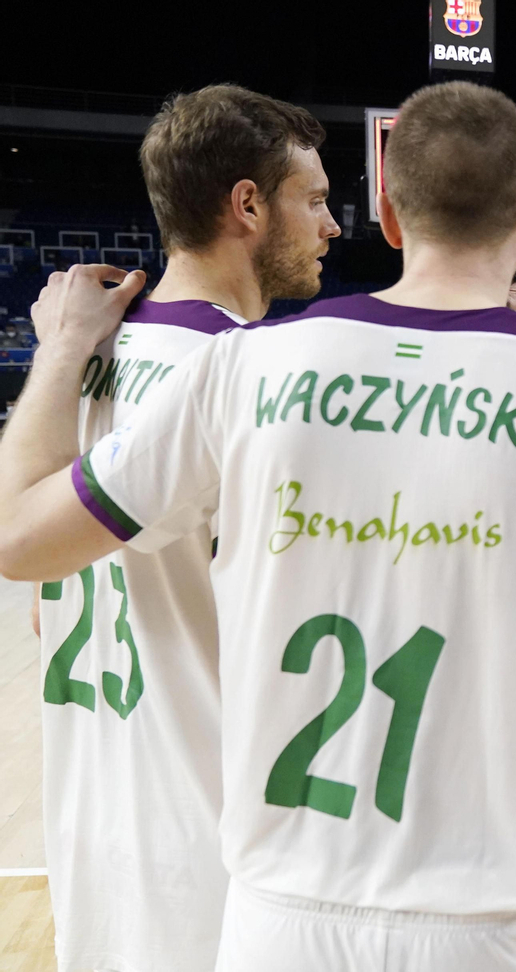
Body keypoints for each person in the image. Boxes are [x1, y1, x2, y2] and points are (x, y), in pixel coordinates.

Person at [0, 80, 516, 972]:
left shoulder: (247, 366)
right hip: (498, 918)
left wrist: (63, 351)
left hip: (270, 909)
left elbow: (24, 548)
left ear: (386, 209)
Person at [33, 83, 339, 972]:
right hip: (216, 854)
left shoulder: (85, 354)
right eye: (313, 201)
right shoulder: (242, 381)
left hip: (96, 830)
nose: (331, 227)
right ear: (248, 204)